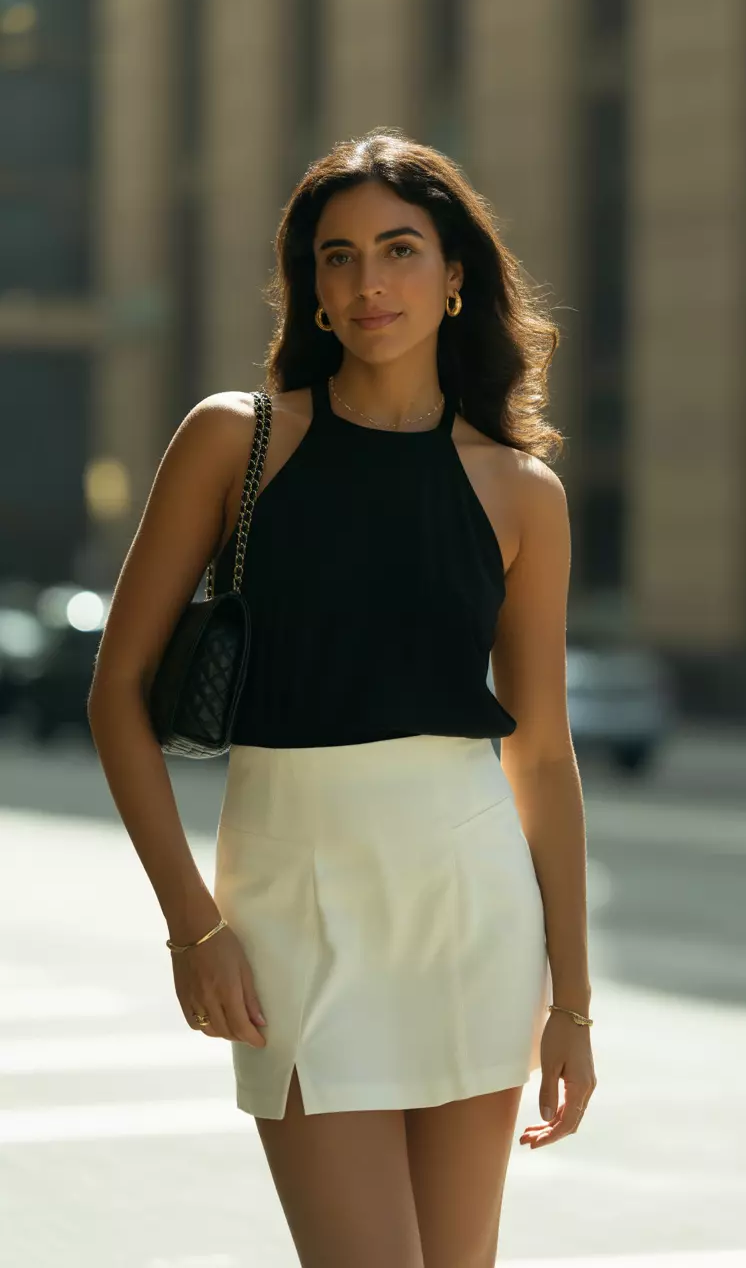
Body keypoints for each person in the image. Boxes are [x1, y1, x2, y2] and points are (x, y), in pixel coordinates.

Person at [88, 128, 596, 1268]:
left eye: (401, 250)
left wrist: (572, 1002)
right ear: (310, 287)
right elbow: (117, 692)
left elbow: (545, 757)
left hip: (471, 908)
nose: (369, 283)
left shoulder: (523, 491)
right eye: (338, 257)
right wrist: (192, 922)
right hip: (290, 903)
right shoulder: (237, 441)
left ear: (457, 274)